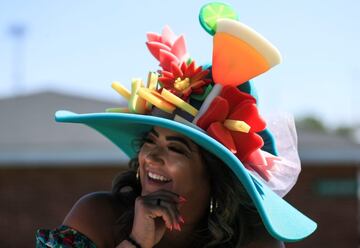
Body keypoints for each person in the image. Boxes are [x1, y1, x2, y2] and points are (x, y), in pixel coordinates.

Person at [36, 2, 316, 247]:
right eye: (150, 140)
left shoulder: (254, 241)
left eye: (176, 148)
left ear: (215, 170)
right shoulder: (97, 216)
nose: (152, 157)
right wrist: (136, 242)